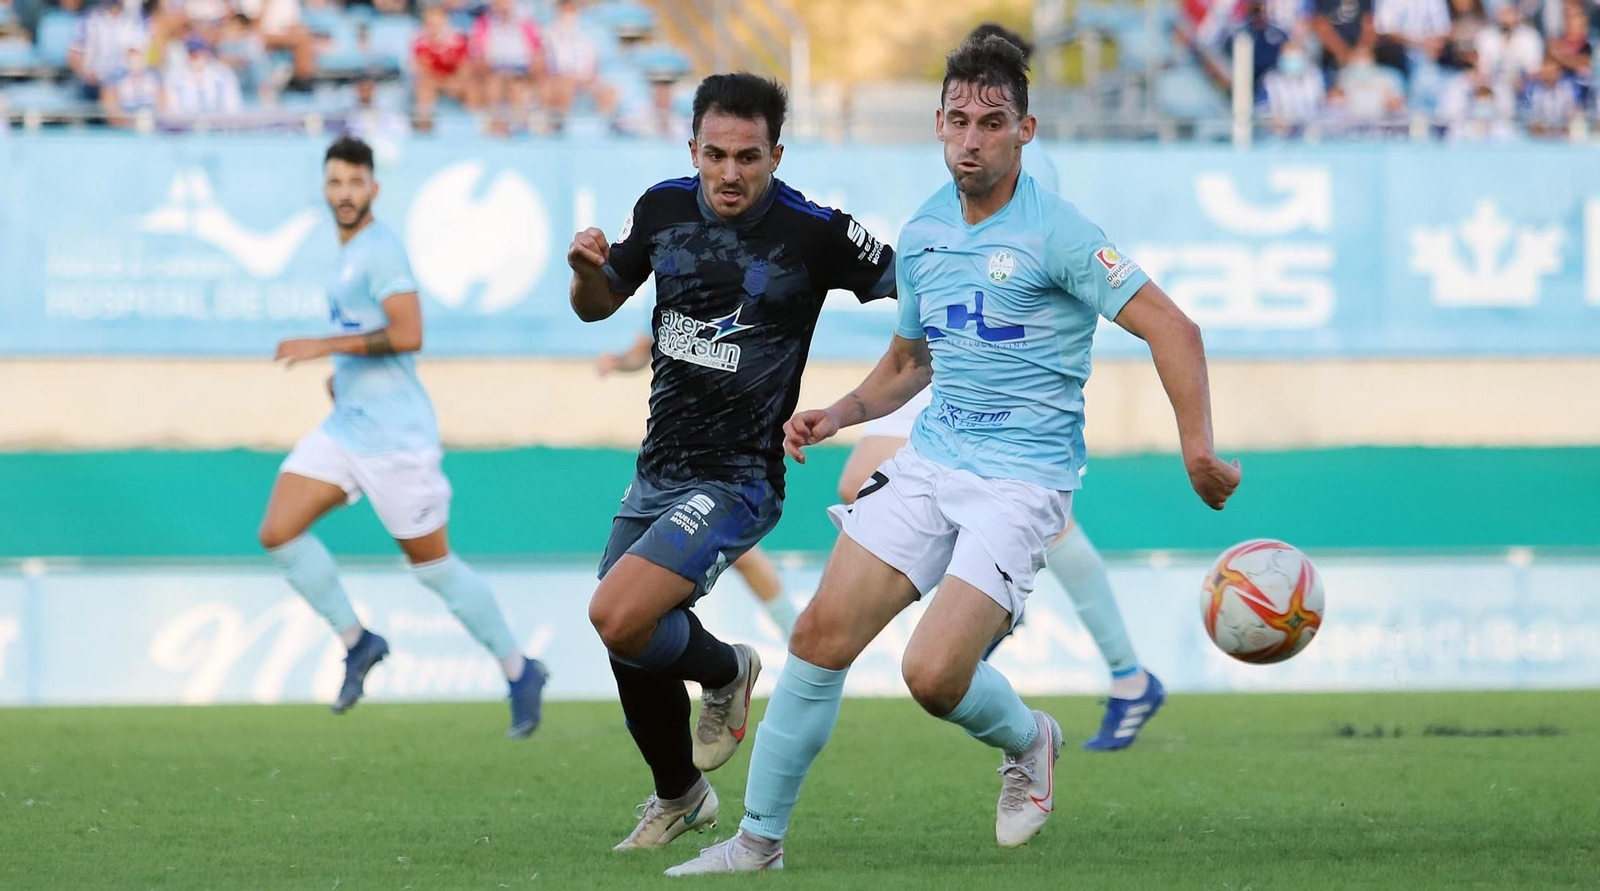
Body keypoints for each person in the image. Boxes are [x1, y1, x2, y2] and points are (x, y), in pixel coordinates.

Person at [667, 35, 1239, 875]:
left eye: (992, 122)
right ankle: (757, 841)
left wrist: (1198, 451)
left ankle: (1031, 740)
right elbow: (911, 362)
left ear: (1025, 131)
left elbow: (1173, 328)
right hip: (935, 457)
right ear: (938, 124)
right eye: (959, 120)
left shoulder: (1062, 233)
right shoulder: (926, 230)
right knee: (820, 636)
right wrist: (843, 411)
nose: (972, 139)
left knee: (932, 675)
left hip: (1022, 480)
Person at [566, 73, 895, 851]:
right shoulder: (661, 208)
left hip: (741, 476)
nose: (730, 174)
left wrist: (868, 402)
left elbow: (917, 290)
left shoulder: (816, 232)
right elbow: (598, 303)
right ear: (692, 149)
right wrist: (586, 269)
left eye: (749, 157)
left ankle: (724, 672)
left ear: (776, 154)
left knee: (617, 611)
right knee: (626, 635)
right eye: (715, 155)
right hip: (659, 467)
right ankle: (679, 792)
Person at [832, 22, 1165, 754]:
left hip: (998, 355)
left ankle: (1064, 644)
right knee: (874, 476)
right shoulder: (979, 149)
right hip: (955, 353)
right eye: (959, 115)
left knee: (1004, 506)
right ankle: (1116, 667)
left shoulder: (1021, 158)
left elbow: (1039, 259)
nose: (971, 131)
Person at [258, 137, 548, 738]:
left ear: (374, 189)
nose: (344, 193)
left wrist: (323, 346)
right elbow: (365, 336)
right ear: (324, 188)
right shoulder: (344, 255)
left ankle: (520, 671)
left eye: (355, 183)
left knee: (434, 567)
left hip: (397, 442)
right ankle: (358, 641)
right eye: (335, 182)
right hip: (348, 428)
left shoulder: (380, 250)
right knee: (278, 532)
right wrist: (341, 381)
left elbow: (409, 332)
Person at [595, 331, 800, 636]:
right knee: (625, 591)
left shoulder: (754, 295)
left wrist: (765, 428)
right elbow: (643, 348)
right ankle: (783, 639)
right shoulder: (671, 289)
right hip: (672, 461)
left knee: (741, 558)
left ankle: (792, 638)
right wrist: (621, 361)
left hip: (728, 464)